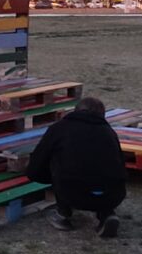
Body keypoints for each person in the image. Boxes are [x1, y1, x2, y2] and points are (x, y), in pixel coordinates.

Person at [25, 96, 126, 237]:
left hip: (72, 193)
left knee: (60, 163)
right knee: (101, 170)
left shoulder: (59, 128)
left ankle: (62, 214)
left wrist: (45, 178)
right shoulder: (109, 132)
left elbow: (38, 159)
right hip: (113, 195)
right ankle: (107, 214)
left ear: (76, 110)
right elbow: (121, 165)